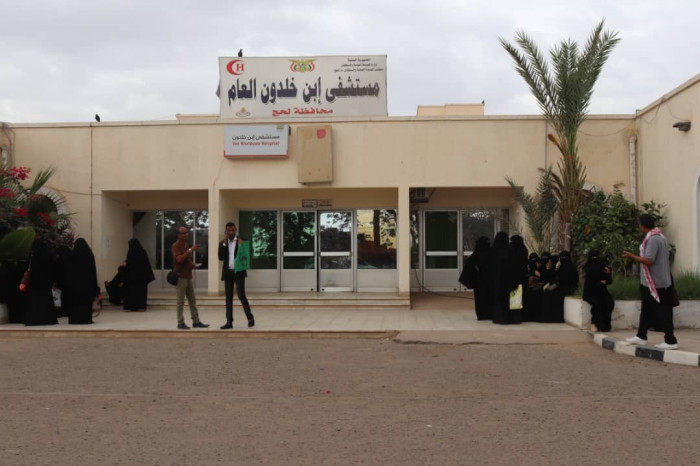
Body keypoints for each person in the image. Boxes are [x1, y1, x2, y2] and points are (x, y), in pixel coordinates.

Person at [623, 214, 678, 349]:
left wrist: (632, 256)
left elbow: (649, 260)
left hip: (656, 283)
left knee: (663, 311)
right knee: (646, 310)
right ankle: (641, 336)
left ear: (643, 226)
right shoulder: (660, 236)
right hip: (650, 282)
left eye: (639, 224)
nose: (639, 226)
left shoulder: (653, 239)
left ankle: (671, 340)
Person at [218, 222, 255, 329]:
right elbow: (221, 257)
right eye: (229, 231)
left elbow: (248, 255)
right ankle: (229, 322)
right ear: (226, 231)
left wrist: (241, 246)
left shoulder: (241, 241)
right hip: (228, 273)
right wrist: (224, 244)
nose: (231, 232)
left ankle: (250, 317)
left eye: (232, 230)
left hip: (239, 272)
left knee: (241, 295)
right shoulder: (222, 243)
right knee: (228, 298)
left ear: (236, 230)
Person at [171, 226, 209, 330]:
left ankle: (196, 321)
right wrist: (190, 250)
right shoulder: (175, 246)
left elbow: (186, 260)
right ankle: (180, 322)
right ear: (178, 235)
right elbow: (179, 259)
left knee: (192, 300)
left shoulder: (186, 244)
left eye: (186, 232)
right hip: (180, 277)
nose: (186, 234)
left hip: (188, 276)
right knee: (180, 301)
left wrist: (193, 265)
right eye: (183, 233)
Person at [64, 238, 100, 325]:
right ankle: (85, 319)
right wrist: (95, 287)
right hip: (87, 286)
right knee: (85, 304)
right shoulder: (89, 256)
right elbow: (93, 272)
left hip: (74, 287)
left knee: (75, 304)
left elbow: (67, 272)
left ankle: (74, 319)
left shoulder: (71, 256)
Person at [486, 231, 517, 325]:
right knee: (508, 299)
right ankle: (509, 318)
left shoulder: (493, 250)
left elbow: (489, 265)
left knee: (498, 299)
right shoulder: (510, 250)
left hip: (496, 280)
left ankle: (498, 318)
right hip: (508, 279)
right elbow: (514, 265)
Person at [24, 238, 58, 326]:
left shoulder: (32, 256)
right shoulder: (48, 256)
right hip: (45, 285)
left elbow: (28, 268)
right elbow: (52, 270)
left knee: (34, 303)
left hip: (34, 284)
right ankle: (47, 319)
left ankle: (34, 319)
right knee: (45, 302)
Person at [540, 250, 578, 323]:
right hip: (562, 287)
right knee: (548, 293)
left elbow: (562, 280)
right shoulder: (563, 267)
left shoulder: (570, 268)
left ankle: (552, 317)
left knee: (550, 294)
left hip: (567, 289)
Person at [459, 236, 491, 320]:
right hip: (489, 281)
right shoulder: (491, 253)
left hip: (479, 281)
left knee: (480, 299)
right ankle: (489, 314)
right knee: (488, 297)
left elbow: (469, 264)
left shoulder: (476, 254)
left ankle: (481, 315)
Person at [582, 249, 614, 332]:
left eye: (596, 257)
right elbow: (591, 280)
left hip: (602, 291)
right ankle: (594, 323)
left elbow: (609, 280)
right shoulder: (588, 267)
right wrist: (599, 282)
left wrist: (606, 277)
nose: (595, 259)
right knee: (597, 304)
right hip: (590, 292)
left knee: (609, 302)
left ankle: (605, 325)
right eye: (593, 257)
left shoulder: (603, 267)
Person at [122, 238, 155, 312]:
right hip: (136, 278)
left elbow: (144, 264)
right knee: (136, 292)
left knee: (138, 292)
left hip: (138, 278)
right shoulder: (139, 252)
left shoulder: (139, 252)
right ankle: (136, 306)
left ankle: (138, 306)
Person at [507, 234, 528, 323]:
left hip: (514, 277)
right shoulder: (523, 249)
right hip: (522, 277)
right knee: (521, 297)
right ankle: (521, 316)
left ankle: (514, 316)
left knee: (515, 297)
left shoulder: (513, 249)